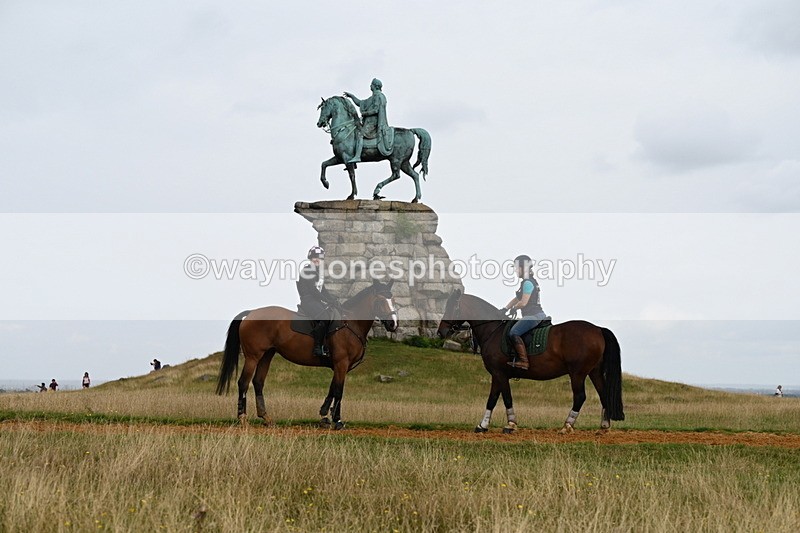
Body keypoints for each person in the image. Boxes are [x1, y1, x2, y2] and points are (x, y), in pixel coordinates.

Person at [500, 255, 548, 370]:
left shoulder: (527, 283)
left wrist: (514, 309)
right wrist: (505, 308)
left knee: (514, 332)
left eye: (517, 268)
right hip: (535, 315)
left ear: (523, 268)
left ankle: (524, 361)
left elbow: (523, 302)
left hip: (533, 316)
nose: (516, 271)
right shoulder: (527, 282)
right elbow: (517, 298)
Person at [297, 245, 339, 357]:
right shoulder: (308, 270)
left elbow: (322, 290)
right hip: (308, 300)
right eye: (315, 257)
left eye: (319, 258)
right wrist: (326, 300)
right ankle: (317, 348)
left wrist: (332, 300)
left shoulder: (318, 273)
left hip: (316, 300)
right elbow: (313, 291)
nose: (317, 259)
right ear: (310, 258)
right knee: (324, 318)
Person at [343, 78, 394, 162]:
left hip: (374, 123)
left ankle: (357, 156)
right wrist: (352, 96)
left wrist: (365, 113)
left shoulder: (378, 96)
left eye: (371, 84)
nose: (370, 86)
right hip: (369, 122)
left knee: (360, 134)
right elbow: (360, 103)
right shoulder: (373, 97)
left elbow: (376, 110)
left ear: (375, 86)